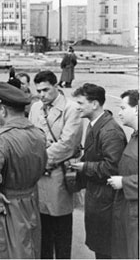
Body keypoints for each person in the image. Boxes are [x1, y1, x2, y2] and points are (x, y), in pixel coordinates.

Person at [0, 82, 47, 258]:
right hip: (30, 202)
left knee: (2, 251)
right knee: (29, 249)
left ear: (3, 110)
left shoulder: (1, 138)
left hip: (7, 206)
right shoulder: (38, 134)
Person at [29, 70, 83, 259]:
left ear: (56, 87)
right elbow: (31, 138)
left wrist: (40, 160)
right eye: (39, 91)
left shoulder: (72, 108)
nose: (42, 95)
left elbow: (68, 144)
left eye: (45, 90)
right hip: (39, 179)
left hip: (58, 177)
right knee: (42, 233)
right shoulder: (35, 108)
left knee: (61, 233)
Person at [71, 83, 127, 259]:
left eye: (80, 103)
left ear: (94, 104)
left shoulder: (109, 131)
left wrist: (84, 166)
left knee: (105, 251)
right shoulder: (97, 124)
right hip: (98, 198)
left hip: (106, 201)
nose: (77, 107)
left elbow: (113, 167)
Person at [108, 90, 139, 259]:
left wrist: (124, 182)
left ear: (137, 109)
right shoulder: (134, 136)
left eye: (123, 107)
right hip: (128, 209)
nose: (119, 112)